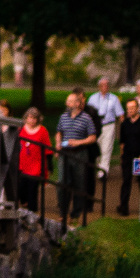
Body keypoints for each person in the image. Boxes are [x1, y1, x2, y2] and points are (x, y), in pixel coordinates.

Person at [55, 91, 98, 219]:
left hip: (79, 153)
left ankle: (76, 213)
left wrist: (78, 142)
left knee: (79, 183)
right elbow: (59, 132)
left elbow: (92, 137)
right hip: (65, 153)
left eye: (70, 101)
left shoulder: (86, 118)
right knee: (62, 181)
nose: (67, 103)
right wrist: (58, 143)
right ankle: (63, 210)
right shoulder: (63, 117)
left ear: (78, 103)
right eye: (67, 101)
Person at [116, 98, 140, 216]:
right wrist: (122, 155)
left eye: (132, 108)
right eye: (128, 108)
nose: (130, 111)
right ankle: (124, 206)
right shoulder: (125, 124)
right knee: (126, 180)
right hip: (128, 155)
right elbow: (122, 142)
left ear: (137, 108)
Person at [86, 77, 124, 177]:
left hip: (109, 125)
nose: (105, 87)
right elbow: (88, 113)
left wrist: (124, 128)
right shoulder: (92, 98)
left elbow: (120, 113)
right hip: (95, 126)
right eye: (102, 85)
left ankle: (103, 172)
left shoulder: (114, 98)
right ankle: (99, 167)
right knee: (97, 149)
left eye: (107, 85)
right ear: (99, 87)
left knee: (106, 149)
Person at [17, 107, 51, 213]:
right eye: (30, 118)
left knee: (32, 190)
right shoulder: (20, 129)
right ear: (26, 118)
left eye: (34, 118)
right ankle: (24, 203)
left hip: (36, 165)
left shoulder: (42, 130)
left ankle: (32, 212)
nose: (32, 120)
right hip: (22, 164)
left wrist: (49, 163)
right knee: (21, 187)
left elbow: (47, 147)